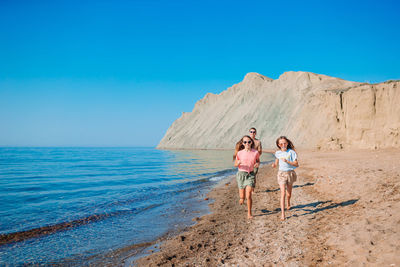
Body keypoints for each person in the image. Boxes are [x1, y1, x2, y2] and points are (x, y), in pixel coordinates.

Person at [271, 136, 299, 221]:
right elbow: (276, 162)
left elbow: (296, 164)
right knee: (282, 193)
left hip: (290, 173)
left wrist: (288, 161)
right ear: (279, 145)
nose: (283, 145)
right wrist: (274, 165)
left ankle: (288, 202)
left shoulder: (291, 152)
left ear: (287, 143)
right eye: (281, 143)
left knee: (288, 194)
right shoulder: (278, 153)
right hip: (281, 174)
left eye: (285, 143)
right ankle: (283, 214)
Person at [234, 135, 260, 219]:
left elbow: (258, 161)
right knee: (242, 197)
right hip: (241, 174)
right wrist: (237, 163)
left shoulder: (255, 152)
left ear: (251, 142)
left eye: (249, 142)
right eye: (245, 142)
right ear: (242, 143)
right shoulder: (239, 153)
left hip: (250, 174)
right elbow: (235, 164)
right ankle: (241, 198)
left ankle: (249, 213)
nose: (247, 143)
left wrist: (257, 164)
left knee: (248, 195)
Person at [249, 127, 262, 193]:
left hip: (255, 161)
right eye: (251, 132)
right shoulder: (246, 141)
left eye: (254, 132)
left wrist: (255, 158)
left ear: (255, 133)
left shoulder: (258, 142)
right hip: (247, 162)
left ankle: (252, 189)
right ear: (249, 133)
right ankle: (248, 188)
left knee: (253, 175)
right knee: (247, 175)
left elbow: (260, 152)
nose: (252, 133)